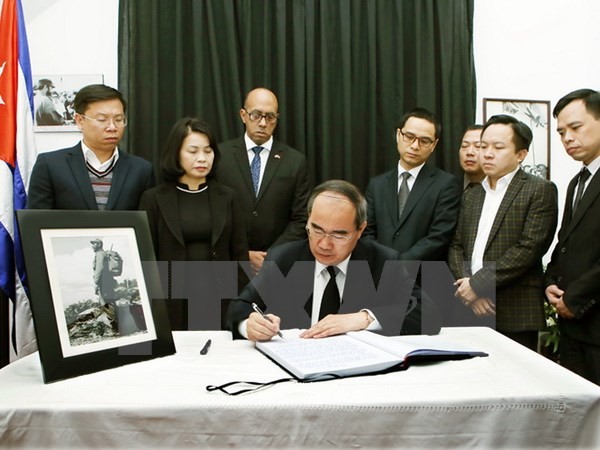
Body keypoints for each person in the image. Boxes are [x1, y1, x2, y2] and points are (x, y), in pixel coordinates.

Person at [226, 180, 440, 341]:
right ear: (308, 220)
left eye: (339, 235)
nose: (324, 244)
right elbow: (240, 307)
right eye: (316, 229)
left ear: (360, 230)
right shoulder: (284, 259)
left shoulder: (382, 261)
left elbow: (429, 314)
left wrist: (363, 319)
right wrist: (249, 325)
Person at [448, 114, 558, 351]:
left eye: (497, 147)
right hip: (468, 306)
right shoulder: (473, 194)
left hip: (514, 310)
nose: (486, 153)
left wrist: (477, 285)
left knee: (516, 382)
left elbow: (529, 248)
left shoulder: (539, 189)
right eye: (483, 146)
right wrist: (469, 290)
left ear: (521, 154)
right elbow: (456, 245)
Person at [139, 118, 248, 330]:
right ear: (176, 153)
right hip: (171, 299)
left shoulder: (228, 197)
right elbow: (146, 257)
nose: (202, 158)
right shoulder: (153, 198)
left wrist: (241, 305)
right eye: (193, 151)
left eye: (208, 151)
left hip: (219, 297)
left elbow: (239, 254)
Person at [215, 87, 311, 274]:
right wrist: (243, 254)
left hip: (279, 268)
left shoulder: (295, 161)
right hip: (228, 265)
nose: (262, 123)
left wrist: (272, 256)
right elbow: (213, 212)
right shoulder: (220, 156)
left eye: (270, 117)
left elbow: (301, 219)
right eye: (256, 115)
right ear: (243, 115)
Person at [545, 89, 600, 385]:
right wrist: (551, 281)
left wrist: (576, 298)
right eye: (561, 131)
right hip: (572, 326)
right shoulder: (576, 182)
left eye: (575, 128)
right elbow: (564, 244)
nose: (567, 137)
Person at [27, 84, 154, 210]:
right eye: (101, 119)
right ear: (79, 121)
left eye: (118, 119)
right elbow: (37, 223)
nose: (112, 127)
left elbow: (146, 225)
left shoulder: (141, 170)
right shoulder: (50, 165)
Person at [364, 107, 462, 262]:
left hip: (423, 277)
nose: (415, 146)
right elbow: (366, 231)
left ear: (434, 145)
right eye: (409, 137)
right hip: (379, 273)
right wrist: (383, 262)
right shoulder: (377, 185)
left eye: (424, 141)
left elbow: (439, 236)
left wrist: (399, 265)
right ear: (398, 135)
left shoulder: (446, 184)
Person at [91, 238, 118, 331]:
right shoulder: (103, 253)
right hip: (107, 282)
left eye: (94, 244)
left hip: (103, 282)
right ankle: (115, 325)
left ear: (99, 245)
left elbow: (99, 268)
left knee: (107, 304)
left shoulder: (100, 254)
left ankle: (114, 327)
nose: (92, 246)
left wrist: (96, 281)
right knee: (109, 302)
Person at [459, 125, 485, 190]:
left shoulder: (500, 189)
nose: (469, 152)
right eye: (464, 146)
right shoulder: (448, 187)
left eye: (478, 146)